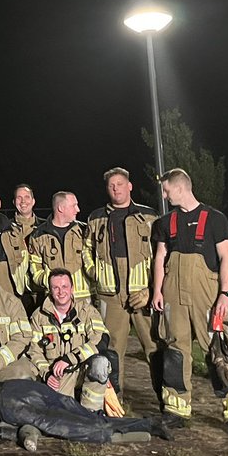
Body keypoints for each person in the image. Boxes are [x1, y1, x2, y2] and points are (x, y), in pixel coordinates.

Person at [152, 168, 228, 437]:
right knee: (175, 351)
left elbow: (227, 259)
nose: (164, 194)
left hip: (208, 297)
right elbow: (160, 259)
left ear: (181, 187)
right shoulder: (164, 223)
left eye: (166, 189)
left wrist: (226, 294)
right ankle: (176, 410)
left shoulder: (216, 219)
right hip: (173, 295)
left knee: (219, 350)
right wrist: (157, 292)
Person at [0, 353, 168, 450]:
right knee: (73, 408)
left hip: (9, 406)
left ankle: (129, 429)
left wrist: (0, 433)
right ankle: (144, 424)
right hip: (19, 387)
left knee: (66, 425)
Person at [84, 167, 159, 399]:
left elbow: (161, 255)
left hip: (142, 295)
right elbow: (87, 250)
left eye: (119, 184)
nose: (115, 188)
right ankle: (115, 402)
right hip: (110, 297)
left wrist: (151, 289)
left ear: (130, 186)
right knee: (112, 350)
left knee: (155, 348)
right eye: (111, 185)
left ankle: (167, 401)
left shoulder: (149, 216)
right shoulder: (96, 218)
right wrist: (95, 273)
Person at [28, 269, 110, 413]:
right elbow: (33, 351)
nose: (61, 292)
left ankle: (92, 413)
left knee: (100, 364)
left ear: (72, 288)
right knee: (61, 415)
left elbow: (101, 340)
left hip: (82, 368)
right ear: (50, 290)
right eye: (56, 288)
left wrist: (70, 358)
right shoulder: (38, 316)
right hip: (57, 374)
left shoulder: (87, 311)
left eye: (65, 287)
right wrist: (46, 373)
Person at [27, 192, 91, 301]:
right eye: (73, 206)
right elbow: (35, 266)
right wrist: (49, 282)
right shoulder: (38, 235)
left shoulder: (84, 231)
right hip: (55, 299)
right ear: (61, 208)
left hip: (83, 299)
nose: (78, 209)